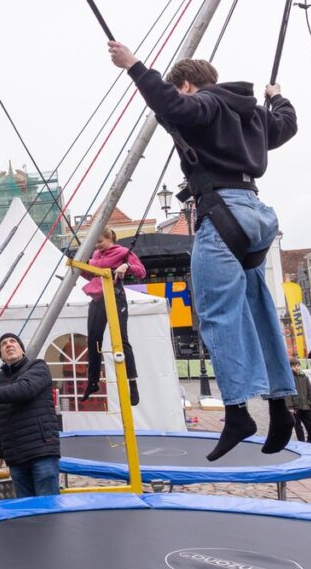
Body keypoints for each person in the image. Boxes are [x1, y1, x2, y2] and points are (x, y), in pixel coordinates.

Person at [108, 43, 298, 462]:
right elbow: (285, 127)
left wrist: (133, 66)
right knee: (259, 312)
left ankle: (237, 412)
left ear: (188, 84)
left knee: (217, 315)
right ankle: (279, 405)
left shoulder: (207, 103)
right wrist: (277, 99)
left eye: (182, 90)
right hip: (255, 215)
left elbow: (173, 105)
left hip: (222, 212)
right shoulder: (250, 112)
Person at [0, 333, 60, 498]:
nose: (8, 345)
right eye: (3, 344)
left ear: (22, 350)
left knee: (47, 505)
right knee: (25, 507)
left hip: (41, 451)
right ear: (1, 356)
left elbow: (24, 390)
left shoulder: (38, 367)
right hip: (16, 457)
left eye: (13, 341)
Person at [80, 229, 147, 406]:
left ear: (110, 238)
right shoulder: (96, 255)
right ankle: (93, 381)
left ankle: (132, 383)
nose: (97, 246)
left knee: (122, 340)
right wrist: (82, 268)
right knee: (93, 340)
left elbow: (141, 271)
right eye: (95, 243)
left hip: (115, 296)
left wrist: (126, 266)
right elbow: (91, 275)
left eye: (100, 242)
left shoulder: (123, 252)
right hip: (98, 298)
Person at [286, 358, 311, 444]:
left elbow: (310, 391)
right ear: (290, 367)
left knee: (310, 423)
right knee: (297, 425)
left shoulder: (305, 377)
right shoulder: (289, 378)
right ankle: (301, 441)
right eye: (294, 366)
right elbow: (287, 393)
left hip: (305, 405)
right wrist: (290, 406)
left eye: (298, 365)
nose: (296, 367)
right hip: (295, 406)